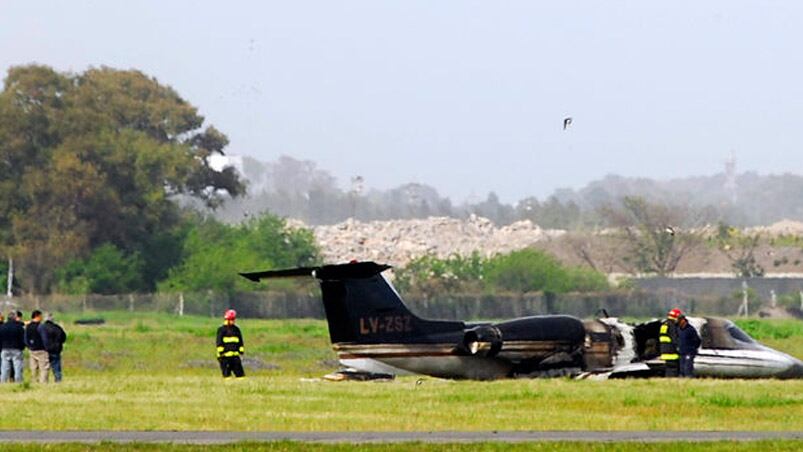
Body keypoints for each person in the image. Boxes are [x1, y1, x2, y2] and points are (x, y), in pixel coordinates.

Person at [216, 309, 245, 378]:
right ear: (227, 320)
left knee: (240, 375)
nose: (233, 321)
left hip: (235, 356)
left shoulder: (236, 329)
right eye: (232, 319)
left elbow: (240, 342)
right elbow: (219, 342)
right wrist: (221, 353)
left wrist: (241, 351)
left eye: (234, 319)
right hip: (225, 357)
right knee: (227, 375)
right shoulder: (221, 330)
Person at [39, 312, 67, 383]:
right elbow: (63, 338)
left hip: (44, 350)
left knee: (44, 368)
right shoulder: (57, 327)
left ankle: (44, 381)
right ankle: (58, 381)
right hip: (56, 350)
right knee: (57, 368)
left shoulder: (41, 327)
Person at [0, 311, 25, 383]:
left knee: (4, 368)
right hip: (16, 349)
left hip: (5, 349)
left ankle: (3, 382)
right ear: (14, 318)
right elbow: (23, 339)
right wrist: (22, 347)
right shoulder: (19, 327)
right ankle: (18, 382)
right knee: (18, 368)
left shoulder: (2, 327)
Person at [25, 310, 49, 383]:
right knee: (44, 368)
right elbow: (44, 338)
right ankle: (43, 382)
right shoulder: (41, 326)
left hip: (32, 350)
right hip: (41, 350)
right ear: (38, 316)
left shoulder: (28, 326)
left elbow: (25, 338)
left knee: (33, 368)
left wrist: (29, 346)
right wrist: (47, 347)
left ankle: (34, 382)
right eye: (41, 316)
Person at [659, 308, 681, 377]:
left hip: (664, 351)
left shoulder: (664, 325)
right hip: (672, 352)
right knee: (673, 370)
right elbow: (674, 339)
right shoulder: (672, 326)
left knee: (669, 369)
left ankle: (668, 382)